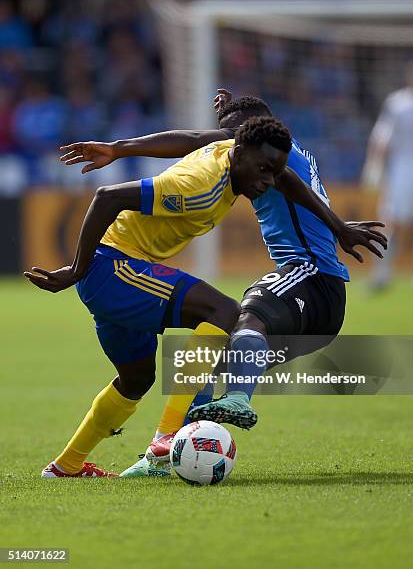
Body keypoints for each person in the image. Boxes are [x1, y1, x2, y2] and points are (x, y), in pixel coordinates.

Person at [58, 91, 387, 478]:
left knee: (233, 315)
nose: (266, 177)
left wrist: (338, 227)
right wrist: (119, 148)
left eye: (228, 136)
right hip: (116, 263)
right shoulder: (245, 159)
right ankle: (151, 457)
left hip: (312, 278)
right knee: (194, 357)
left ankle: (212, 412)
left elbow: (261, 168)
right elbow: (199, 141)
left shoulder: (262, 163)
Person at [26, 115, 307, 478]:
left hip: (117, 273)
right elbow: (107, 197)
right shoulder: (198, 185)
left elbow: (190, 136)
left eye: (275, 172)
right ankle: (169, 436)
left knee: (136, 379)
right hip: (115, 269)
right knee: (223, 310)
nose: (269, 181)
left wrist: (118, 148)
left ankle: (66, 466)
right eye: (264, 170)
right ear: (239, 154)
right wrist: (77, 269)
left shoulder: (232, 147)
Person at [362, 61, 413, 289]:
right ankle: (381, 275)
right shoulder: (398, 103)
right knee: (392, 222)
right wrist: (374, 166)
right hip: (403, 170)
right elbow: (382, 138)